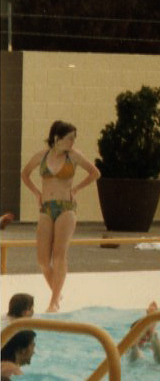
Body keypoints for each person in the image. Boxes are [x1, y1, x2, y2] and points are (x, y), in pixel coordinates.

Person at [20, 120, 100, 312]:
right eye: (70, 138)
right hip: (46, 208)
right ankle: (57, 291)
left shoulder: (74, 156)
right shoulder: (42, 156)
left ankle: (54, 301)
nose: (73, 142)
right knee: (42, 260)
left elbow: (95, 173)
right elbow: (25, 174)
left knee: (59, 255)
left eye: (74, 138)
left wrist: (77, 189)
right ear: (57, 138)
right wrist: (37, 193)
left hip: (66, 208)